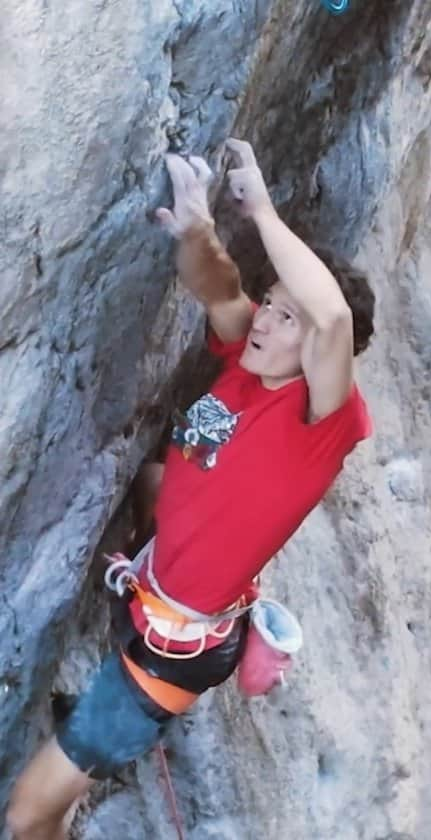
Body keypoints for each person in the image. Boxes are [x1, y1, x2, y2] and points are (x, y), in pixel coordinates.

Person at [7, 138, 375, 839]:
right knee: (153, 477)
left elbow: (331, 317)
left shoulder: (318, 422)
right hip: (157, 590)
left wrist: (262, 209)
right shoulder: (247, 360)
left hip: (163, 661)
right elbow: (219, 289)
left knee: (29, 813)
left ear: (323, 356)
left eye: (285, 317)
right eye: (272, 305)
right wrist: (198, 229)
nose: (266, 319)